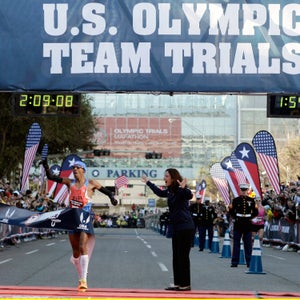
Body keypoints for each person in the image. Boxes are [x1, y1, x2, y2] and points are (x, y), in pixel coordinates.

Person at [41, 159, 118, 292]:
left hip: (84, 217)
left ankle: (83, 280)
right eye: (73, 168)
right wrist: (46, 166)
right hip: (72, 217)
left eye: (77, 167)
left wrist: (112, 198)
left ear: (83, 170)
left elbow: (108, 192)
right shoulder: (69, 182)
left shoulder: (91, 183)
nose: (74, 170)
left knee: (83, 246)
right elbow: (51, 177)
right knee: (76, 252)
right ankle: (81, 272)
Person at [141, 169, 194, 291]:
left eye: (166, 176)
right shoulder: (170, 191)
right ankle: (178, 283)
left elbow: (189, 195)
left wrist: (183, 187)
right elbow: (159, 192)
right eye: (164, 176)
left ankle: (185, 284)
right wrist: (148, 182)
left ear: (173, 178)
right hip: (176, 227)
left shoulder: (180, 190)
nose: (164, 178)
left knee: (183, 256)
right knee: (176, 256)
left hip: (185, 227)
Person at [228, 183, 258, 268]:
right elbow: (230, 210)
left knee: (248, 244)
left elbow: (256, 211)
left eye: (245, 190)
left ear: (248, 190)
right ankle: (234, 262)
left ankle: (249, 262)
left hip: (247, 223)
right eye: (242, 190)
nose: (244, 192)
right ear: (240, 190)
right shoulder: (235, 200)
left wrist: (250, 217)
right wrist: (235, 217)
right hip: (238, 222)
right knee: (236, 243)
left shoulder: (252, 200)